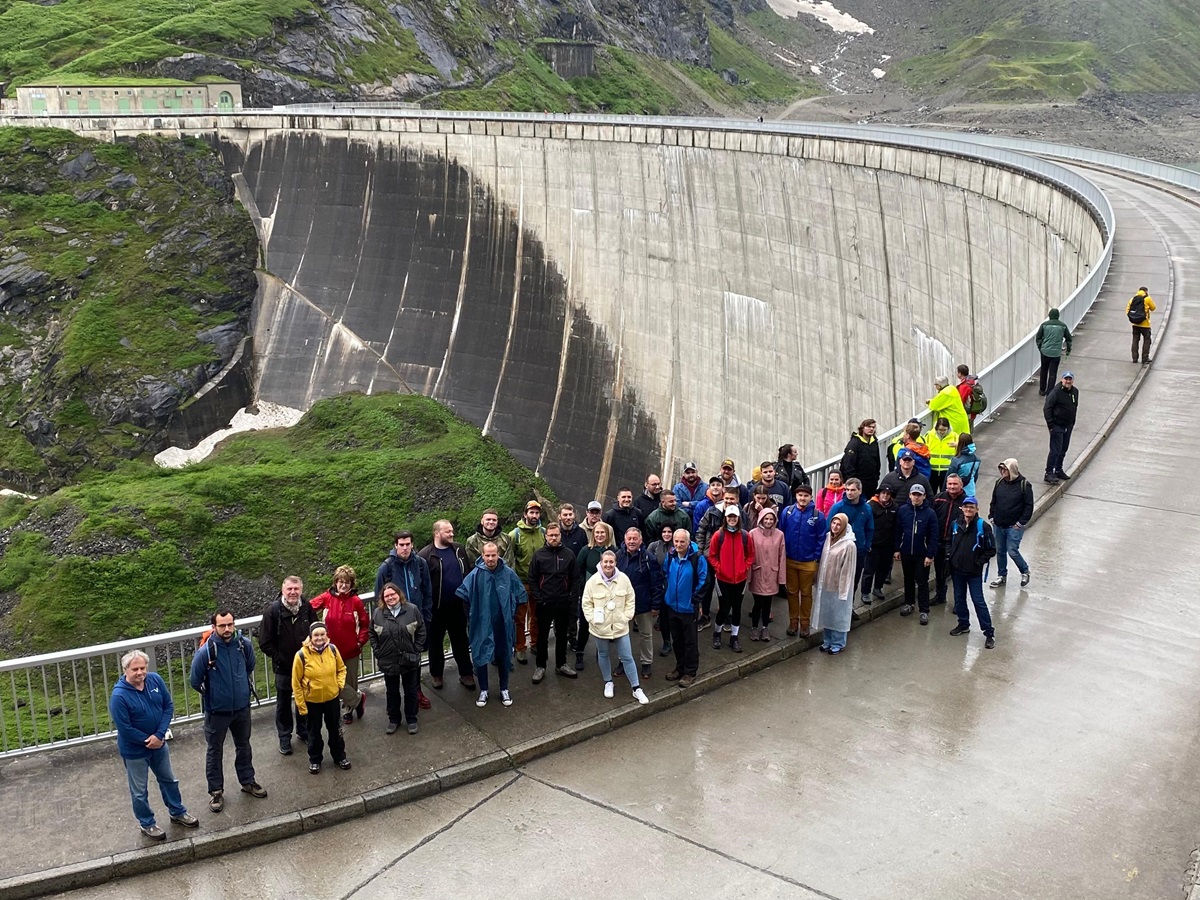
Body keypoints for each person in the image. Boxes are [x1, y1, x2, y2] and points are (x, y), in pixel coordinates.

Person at [111, 649, 198, 839]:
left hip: (159, 745)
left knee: (169, 780)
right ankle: (147, 823)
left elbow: (168, 706)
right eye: (135, 669)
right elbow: (125, 728)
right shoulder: (119, 696)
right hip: (135, 751)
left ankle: (177, 812)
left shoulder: (155, 680)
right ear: (126, 669)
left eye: (143, 668)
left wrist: (159, 735)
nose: (140, 672)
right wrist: (146, 740)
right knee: (139, 791)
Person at [189, 610, 267, 812]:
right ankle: (216, 791)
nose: (227, 629)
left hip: (241, 708)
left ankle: (248, 781)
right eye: (222, 626)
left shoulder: (244, 645)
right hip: (217, 712)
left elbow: (249, 666)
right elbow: (195, 681)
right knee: (215, 751)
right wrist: (215, 695)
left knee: (244, 746)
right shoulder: (206, 652)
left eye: (230, 624)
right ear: (214, 627)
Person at [457, 542, 523, 708]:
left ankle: (504, 688)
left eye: (493, 555)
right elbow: (464, 596)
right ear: (482, 555)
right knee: (480, 654)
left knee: (503, 654)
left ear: (498, 554)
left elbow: (520, 595)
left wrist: (512, 615)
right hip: (481, 622)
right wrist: (471, 618)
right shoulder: (476, 575)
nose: (491, 558)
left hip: (503, 622)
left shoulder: (508, 573)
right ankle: (484, 690)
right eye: (487, 555)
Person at [374, 531, 434, 711]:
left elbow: (427, 591)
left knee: (414, 657)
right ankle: (395, 700)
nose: (405, 547)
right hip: (393, 623)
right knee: (395, 659)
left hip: (416, 620)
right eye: (401, 544)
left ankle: (416, 691)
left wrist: (427, 617)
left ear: (412, 545)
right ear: (395, 546)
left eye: (408, 544)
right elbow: (379, 598)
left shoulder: (420, 564)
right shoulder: (386, 568)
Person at [583, 550, 649, 704]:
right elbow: (586, 603)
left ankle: (636, 688)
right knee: (603, 654)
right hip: (600, 627)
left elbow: (630, 599)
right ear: (600, 562)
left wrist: (626, 616)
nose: (608, 565)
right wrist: (592, 619)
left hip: (620, 627)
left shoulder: (624, 579)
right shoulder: (592, 581)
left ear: (615, 563)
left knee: (627, 656)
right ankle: (608, 682)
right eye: (605, 562)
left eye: (611, 562)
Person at [258, 575, 315, 755]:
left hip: (306, 666)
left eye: (296, 589)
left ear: (301, 590)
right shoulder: (272, 612)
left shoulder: (307, 607)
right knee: (283, 703)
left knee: (304, 699)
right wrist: (279, 658)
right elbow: (265, 642)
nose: (293, 592)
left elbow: (315, 631)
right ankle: (284, 737)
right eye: (289, 589)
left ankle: (303, 730)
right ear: (283, 590)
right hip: (284, 668)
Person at [417, 521, 475, 691]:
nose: (452, 534)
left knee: (461, 640)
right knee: (436, 643)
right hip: (436, 608)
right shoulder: (425, 555)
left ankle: (466, 673)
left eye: (452, 531)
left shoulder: (458, 549)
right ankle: (436, 675)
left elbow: (468, 571)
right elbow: (421, 584)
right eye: (447, 532)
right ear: (437, 533)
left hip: (458, 606)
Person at [310, 565, 369, 725]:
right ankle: (358, 700)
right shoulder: (327, 598)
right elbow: (309, 607)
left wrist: (359, 642)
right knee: (334, 681)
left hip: (351, 650)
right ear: (335, 583)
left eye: (347, 582)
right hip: (330, 650)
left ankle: (348, 710)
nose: (343, 585)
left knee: (350, 681)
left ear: (352, 584)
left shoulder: (356, 601)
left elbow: (365, 624)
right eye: (340, 582)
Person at [291, 621, 350, 773]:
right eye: (316, 635)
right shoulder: (301, 655)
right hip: (312, 702)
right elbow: (296, 683)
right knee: (314, 733)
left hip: (332, 699)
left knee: (336, 730)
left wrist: (339, 685)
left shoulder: (333, 649)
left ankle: (339, 756)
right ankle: (315, 759)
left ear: (326, 635)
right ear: (310, 637)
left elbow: (341, 669)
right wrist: (301, 706)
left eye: (322, 634)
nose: (319, 638)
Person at [369, 582, 426, 735]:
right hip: (388, 660)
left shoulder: (412, 609)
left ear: (398, 594)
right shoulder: (377, 614)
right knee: (392, 691)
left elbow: (421, 630)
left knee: (411, 691)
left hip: (409, 658)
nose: (390, 598)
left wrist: (416, 649)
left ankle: (412, 719)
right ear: (383, 598)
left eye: (392, 594)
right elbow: (372, 634)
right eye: (386, 596)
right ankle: (394, 720)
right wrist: (378, 651)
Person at [527, 522, 579, 682]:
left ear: (560, 535)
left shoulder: (569, 554)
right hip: (544, 603)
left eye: (556, 535)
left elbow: (575, 578)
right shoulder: (539, 555)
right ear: (546, 537)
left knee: (562, 635)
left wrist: (571, 597)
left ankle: (561, 664)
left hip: (563, 602)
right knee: (542, 636)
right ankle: (540, 666)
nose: (554, 538)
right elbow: (532, 579)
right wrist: (539, 598)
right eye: (551, 535)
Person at [948, 496, 997, 649]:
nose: (968, 510)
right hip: (957, 571)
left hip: (974, 572)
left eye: (971, 507)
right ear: (962, 508)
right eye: (966, 507)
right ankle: (963, 624)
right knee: (959, 598)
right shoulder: (955, 525)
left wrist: (978, 562)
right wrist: (951, 557)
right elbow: (949, 543)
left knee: (978, 601)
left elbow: (991, 549)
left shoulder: (984, 527)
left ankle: (989, 633)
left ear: (976, 509)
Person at [662, 529, 707, 688]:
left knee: (690, 642)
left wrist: (694, 600)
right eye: (676, 541)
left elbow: (703, 580)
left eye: (682, 541)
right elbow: (666, 574)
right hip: (672, 606)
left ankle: (690, 672)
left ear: (689, 542)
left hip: (688, 609)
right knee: (677, 641)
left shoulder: (697, 558)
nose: (679, 544)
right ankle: (679, 668)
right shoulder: (671, 555)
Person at [617, 527, 664, 679]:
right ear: (624, 539)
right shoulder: (618, 556)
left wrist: (656, 605)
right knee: (623, 635)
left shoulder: (648, 558)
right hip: (623, 605)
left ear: (640, 540)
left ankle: (646, 663)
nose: (631, 541)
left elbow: (657, 583)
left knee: (646, 635)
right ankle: (623, 661)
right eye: (629, 538)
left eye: (634, 538)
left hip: (644, 604)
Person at [779, 484, 826, 636]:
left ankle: (805, 624)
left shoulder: (817, 515)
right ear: (796, 496)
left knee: (806, 593)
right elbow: (781, 533)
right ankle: (793, 622)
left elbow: (821, 538)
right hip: (790, 560)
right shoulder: (788, 512)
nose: (802, 498)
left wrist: (816, 558)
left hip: (808, 562)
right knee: (792, 592)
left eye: (806, 495)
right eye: (800, 495)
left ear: (811, 497)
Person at [707, 506, 754, 652]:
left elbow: (751, 555)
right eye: (729, 517)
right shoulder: (718, 535)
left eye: (734, 517)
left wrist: (744, 567)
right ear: (725, 518)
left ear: (738, 518)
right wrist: (719, 568)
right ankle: (717, 633)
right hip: (723, 579)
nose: (732, 520)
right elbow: (712, 555)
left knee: (737, 608)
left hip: (740, 580)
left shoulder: (745, 536)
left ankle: (734, 637)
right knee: (724, 608)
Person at [695, 484, 741, 630]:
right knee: (707, 586)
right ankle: (706, 615)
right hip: (710, 556)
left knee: (727, 589)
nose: (728, 502)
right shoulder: (712, 511)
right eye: (726, 499)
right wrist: (701, 553)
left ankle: (726, 615)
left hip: (729, 559)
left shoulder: (741, 515)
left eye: (732, 500)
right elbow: (701, 531)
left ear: (737, 500)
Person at [506, 500, 546, 665]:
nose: (534, 516)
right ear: (525, 514)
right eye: (531, 512)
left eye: (537, 513)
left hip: (540, 582)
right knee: (519, 618)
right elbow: (509, 559)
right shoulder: (514, 535)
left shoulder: (543, 532)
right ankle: (520, 647)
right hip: (521, 582)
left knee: (537, 616)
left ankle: (535, 644)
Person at [574, 520, 616, 671]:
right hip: (589, 594)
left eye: (602, 533)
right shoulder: (586, 550)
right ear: (593, 534)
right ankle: (579, 653)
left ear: (607, 534)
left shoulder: (612, 551)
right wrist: (582, 589)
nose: (599, 535)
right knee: (584, 625)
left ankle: (601, 653)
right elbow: (578, 571)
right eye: (597, 532)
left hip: (606, 596)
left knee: (604, 624)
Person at [893, 484, 938, 625]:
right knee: (908, 579)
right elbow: (898, 531)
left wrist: (930, 555)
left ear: (924, 496)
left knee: (922, 581)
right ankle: (909, 603)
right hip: (906, 552)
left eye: (919, 495)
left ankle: (924, 610)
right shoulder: (903, 510)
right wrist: (896, 549)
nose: (916, 497)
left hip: (922, 554)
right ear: (910, 495)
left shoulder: (930, 513)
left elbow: (934, 536)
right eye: (914, 494)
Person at [812, 513, 857, 653]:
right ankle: (827, 640)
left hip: (839, 586)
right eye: (833, 523)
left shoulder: (849, 545)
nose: (835, 527)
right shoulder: (827, 538)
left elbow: (848, 570)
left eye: (838, 524)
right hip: (826, 584)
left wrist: (843, 591)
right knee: (827, 613)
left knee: (839, 615)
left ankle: (838, 642)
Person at [989, 458, 1034, 588]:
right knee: (1000, 551)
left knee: (1012, 551)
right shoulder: (999, 483)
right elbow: (994, 501)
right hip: (998, 525)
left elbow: (1028, 506)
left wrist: (1020, 523)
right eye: (1001, 469)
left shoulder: (1024, 485)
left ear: (1012, 470)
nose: (1002, 472)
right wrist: (992, 517)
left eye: (1005, 469)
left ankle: (1025, 571)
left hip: (1014, 526)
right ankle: (1001, 576)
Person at [829, 478, 873, 603]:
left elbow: (870, 529)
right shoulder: (838, 507)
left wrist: (866, 546)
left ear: (860, 491)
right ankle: (835, 609)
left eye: (853, 490)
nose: (849, 493)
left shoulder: (867, 508)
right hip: (839, 552)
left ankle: (849, 608)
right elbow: (828, 528)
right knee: (837, 581)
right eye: (847, 490)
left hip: (858, 551)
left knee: (853, 581)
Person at [747, 507, 786, 641]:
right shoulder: (752, 533)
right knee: (757, 603)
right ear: (761, 519)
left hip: (771, 574)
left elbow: (782, 557)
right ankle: (754, 628)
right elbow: (749, 555)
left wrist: (781, 578)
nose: (769, 521)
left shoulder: (779, 535)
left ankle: (765, 628)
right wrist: (749, 575)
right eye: (766, 518)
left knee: (767, 604)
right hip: (757, 573)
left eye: (771, 519)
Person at [931, 473, 967, 607]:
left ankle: (959, 603)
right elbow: (931, 518)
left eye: (955, 484)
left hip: (956, 545)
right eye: (949, 484)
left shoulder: (966, 502)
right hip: (939, 542)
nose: (952, 487)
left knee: (958, 576)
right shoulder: (938, 498)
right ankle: (940, 596)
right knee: (940, 572)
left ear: (961, 485)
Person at [860, 485, 897, 602]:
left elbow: (897, 527)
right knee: (869, 570)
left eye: (888, 493)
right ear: (878, 494)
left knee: (883, 568)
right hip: (873, 544)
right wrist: (867, 543)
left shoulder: (895, 508)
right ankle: (865, 592)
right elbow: (864, 526)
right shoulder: (870, 506)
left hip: (887, 545)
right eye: (883, 493)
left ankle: (878, 588)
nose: (885, 495)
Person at [1043, 371, 1079, 484]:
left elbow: (1075, 406)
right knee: (1055, 450)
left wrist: (1072, 421)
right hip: (1057, 425)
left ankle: (1058, 469)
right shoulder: (1055, 392)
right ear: (1062, 380)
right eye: (1066, 379)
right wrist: (1051, 425)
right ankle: (1049, 472)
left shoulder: (1075, 391)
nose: (1068, 381)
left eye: (1070, 379)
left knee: (1064, 448)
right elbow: (1047, 408)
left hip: (1068, 425)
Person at [1035, 307, 1072, 396]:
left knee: (1044, 370)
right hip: (1056, 354)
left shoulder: (1044, 325)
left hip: (1045, 352)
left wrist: (1040, 347)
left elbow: (1038, 337)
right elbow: (1069, 339)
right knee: (1053, 373)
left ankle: (1042, 390)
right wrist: (1068, 350)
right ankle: (1050, 392)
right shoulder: (1063, 326)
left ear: (1050, 315)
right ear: (1058, 316)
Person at [839, 420, 881, 496]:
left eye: (873, 427)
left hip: (871, 483)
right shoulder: (854, 443)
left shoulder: (874, 442)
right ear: (862, 428)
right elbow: (848, 464)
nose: (871, 429)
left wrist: (876, 477)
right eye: (868, 427)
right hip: (858, 483)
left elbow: (877, 461)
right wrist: (852, 482)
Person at [924, 417, 959, 496]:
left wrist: (958, 445)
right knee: (931, 494)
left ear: (948, 428)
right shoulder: (929, 435)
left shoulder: (955, 437)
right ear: (936, 428)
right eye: (940, 430)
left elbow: (963, 449)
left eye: (944, 430)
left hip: (947, 471)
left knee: (945, 495)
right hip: (932, 470)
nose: (942, 432)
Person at [1126, 286, 1157, 364]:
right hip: (1145, 324)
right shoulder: (1147, 299)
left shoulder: (1132, 299)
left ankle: (1134, 358)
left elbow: (1127, 311)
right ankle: (1145, 358)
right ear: (1146, 291)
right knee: (1147, 340)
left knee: (1135, 340)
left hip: (1135, 324)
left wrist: (1135, 318)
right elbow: (1153, 308)